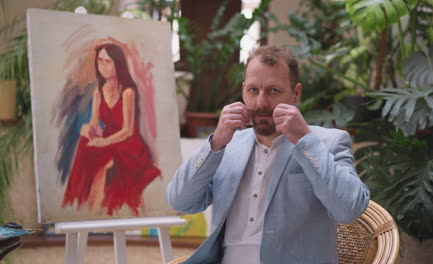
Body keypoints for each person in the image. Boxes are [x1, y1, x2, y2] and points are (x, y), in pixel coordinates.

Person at [166, 46, 370, 264]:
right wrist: (215, 143)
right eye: (253, 90)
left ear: (296, 93)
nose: (261, 102)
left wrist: (305, 141)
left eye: (273, 91)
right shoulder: (227, 145)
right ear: (243, 90)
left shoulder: (328, 142)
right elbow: (179, 201)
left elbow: (349, 209)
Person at [62, 43, 161, 216]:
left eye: (108, 61)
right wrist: (88, 129)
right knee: (85, 144)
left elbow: (128, 130)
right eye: (100, 61)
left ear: (118, 63)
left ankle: (93, 212)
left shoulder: (128, 91)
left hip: (129, 143)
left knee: (103, 163)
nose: (102, 66)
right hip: (109, 137)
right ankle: (80, 204)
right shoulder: (98, 91)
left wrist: (103, 142)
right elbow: (94, 122)